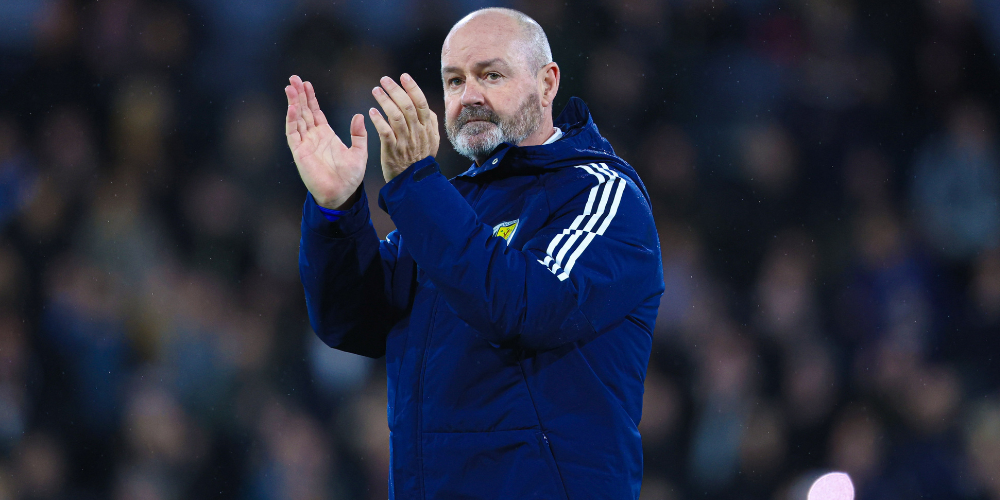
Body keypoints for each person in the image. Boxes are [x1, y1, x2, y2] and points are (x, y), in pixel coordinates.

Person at [285, 7, 664, 500]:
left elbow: (525, 307)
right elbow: (351, 321)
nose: (470, 97)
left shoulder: (602, 196)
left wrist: (417, 184)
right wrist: (337, 211)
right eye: (454, 81)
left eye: (491, 74)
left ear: (547, 83)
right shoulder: (452, 206)